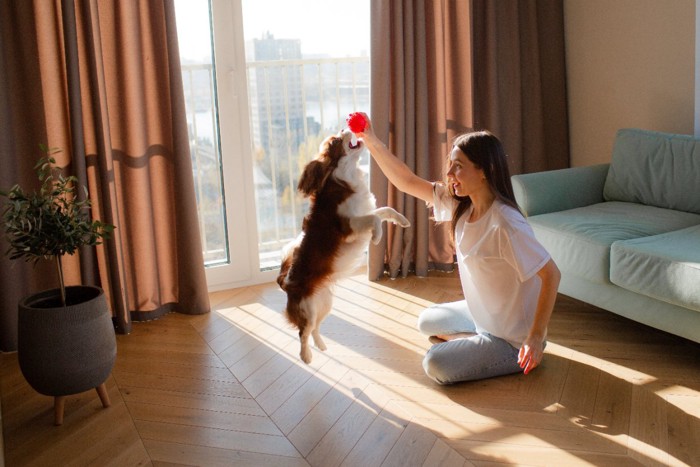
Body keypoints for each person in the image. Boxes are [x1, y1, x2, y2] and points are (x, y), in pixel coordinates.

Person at [356, 114, 561, 384]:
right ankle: (474, 341)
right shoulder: (462, 206)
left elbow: (551, 275)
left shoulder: (506, 224)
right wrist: (371, 141)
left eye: (459, 167)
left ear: (484, 170)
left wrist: (535, 338)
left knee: (435, 363)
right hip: (483, 314)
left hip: (511, 339)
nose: (450, 174)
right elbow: (406, 181)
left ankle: (492, 348)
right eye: (451, 165)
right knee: (427, 321)